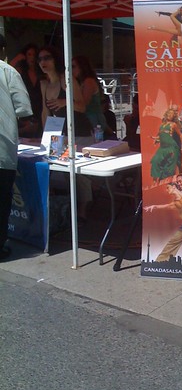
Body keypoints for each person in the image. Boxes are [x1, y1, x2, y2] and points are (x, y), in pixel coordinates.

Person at [38, 46, 94, 223]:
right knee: (61, 171)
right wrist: (44, 136)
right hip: (57, 133)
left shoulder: (66, 80)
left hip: (79, 130)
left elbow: (81, 106)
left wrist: (64, 102)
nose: (43, 62)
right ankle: (71, 206)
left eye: (47, 58)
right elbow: (44, 112)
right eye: (40, 59)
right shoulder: (44, 84)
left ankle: (84, 209)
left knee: (79, 171)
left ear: (55, 60)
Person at [0, 34, 33, 260]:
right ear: (3, 50)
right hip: (2, 149)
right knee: (2, 201)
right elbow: (23, 109)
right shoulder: (8, 72)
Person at [72, 55, 114, 139]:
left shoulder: (88, 81)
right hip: (88, 119)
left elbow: (84, 103)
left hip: (93, 119)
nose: (71, 70)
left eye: (73, 66)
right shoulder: (80, 82)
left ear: (82, 67)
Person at [150, 108, 182, 183]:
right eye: (169, 114)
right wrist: (157, 139)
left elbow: (181, 134)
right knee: (156, 160)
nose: (170, 115)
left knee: (174, 164)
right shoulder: (162, 124)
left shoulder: (176, 124)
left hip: (173, 147)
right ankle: (157, 179)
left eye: (173, 114)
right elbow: (161, 134)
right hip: (164, 147)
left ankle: (172, 181)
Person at [10, 43, 44, 138]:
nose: (32, 57)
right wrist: (17, 58)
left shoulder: (41, 73)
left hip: (40, 111)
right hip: (25, 113)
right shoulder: (21, 71)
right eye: (29, 54)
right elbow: (7, 71)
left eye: (34, 54)